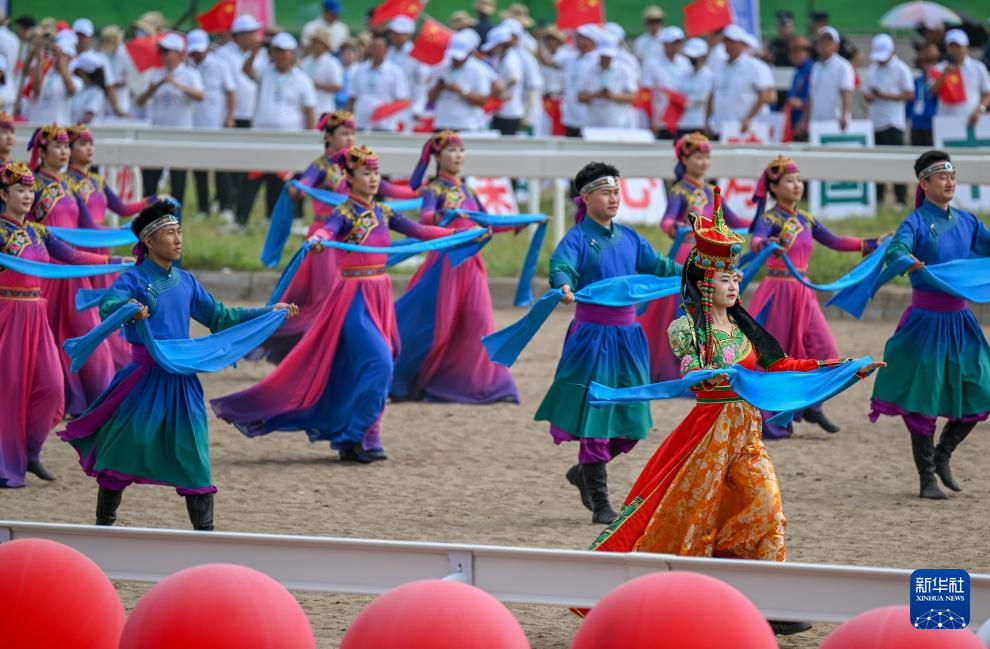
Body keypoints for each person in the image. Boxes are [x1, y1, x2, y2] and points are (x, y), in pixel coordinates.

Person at [582, 196, 883, 637]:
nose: (735, 283)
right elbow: (690, 376)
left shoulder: (746, 327)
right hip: (706, 440)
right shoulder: (685, 329)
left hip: (747, 436)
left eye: (737, 276)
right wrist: (710, 372)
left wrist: (846, 368)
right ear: (706, 283)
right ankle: (682, 602)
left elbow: (784, 366)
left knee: (765, 508)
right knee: (693, 521)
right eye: (726, 277)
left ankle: (769, 601)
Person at [212, 146, 459, 463]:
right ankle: (356, 434)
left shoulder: (384, 213)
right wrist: (318, 239)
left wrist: (459, 234)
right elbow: (328, 230)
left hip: (380, 295)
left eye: (375, 173)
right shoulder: (344, 213)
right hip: (353, 299)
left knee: (373, 365)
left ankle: (364, 438)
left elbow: (421, 231)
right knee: (379, 363)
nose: (373, 179)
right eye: (365, 173)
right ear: (349, 177)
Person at [59, 201, 296, 528]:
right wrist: (128, 306)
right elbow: (109, 305)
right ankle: (104, 526)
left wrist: (269, 311)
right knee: (120, 455)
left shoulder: (186, 281)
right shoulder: (134, 280)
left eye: (180, 232)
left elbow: (220, 317)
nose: (178, 239)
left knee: (195, 457)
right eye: (170, 233)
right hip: (142, 380)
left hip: (182, 381)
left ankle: (206, 536)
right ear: (149, 242)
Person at [537, 162, 680, 524]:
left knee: (632, 422)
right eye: (605, 191)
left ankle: (583, 472)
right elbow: (561, 266)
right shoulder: (577, 239)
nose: (614, 198)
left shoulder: (630, 238)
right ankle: (600, 502)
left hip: (630, 338)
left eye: (616, 191)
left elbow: (661, 266)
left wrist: (702, 269)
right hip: (593, 338)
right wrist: (564, 284)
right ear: (586, 198)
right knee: (597, 416)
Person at [870, 151, 990, 500]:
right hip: (925, 323)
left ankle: (943, 454)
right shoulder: (917, 222)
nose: (949, 182)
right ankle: (926, 477)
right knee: (923, 398)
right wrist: (907, 259)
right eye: (941, 177)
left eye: (952, 176)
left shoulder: (968, 222)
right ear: (924, 183)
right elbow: (896, 250)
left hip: (961, 320)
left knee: (981, 388)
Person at [1, 162, 123, 488]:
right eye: (20, 190)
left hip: (36, 316)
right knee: (9, 391)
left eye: (30, 190)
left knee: (53, 388)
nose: (28, 195)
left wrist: (116, 261)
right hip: (7, 316)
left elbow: (74, 256)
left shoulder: (39, 232)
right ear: (3, 194)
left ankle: (30, 452)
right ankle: (7, 463)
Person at [748, 156, 881, 438]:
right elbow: (756, 240)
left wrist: (871, 244)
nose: (797, 186)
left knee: (825, 349)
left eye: (799, 180)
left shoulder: (806, 219)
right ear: (774, 186)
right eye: (789, 181)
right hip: (778, 292)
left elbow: (833, 241)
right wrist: (768, 244)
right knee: (776, 358)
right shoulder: (769, 219)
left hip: (804, 293)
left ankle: (812, 405)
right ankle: (774, 418)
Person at [391, 130, 518, 404]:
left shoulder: (467, 190)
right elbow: (425, 219)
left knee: (479, 320)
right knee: (434, 326)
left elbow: (485, 221)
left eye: (461, 151)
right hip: (446, 262)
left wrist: (518, 224)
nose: (458, 156)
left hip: (472, 263)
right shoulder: (434, 189)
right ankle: (402, 377)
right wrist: (448, 215)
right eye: (451, 151)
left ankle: (486, 384)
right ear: (438, 156)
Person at [637, 133, 748, 383]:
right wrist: (675, 228)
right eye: (699, 156)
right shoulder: (680, 190)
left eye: (707, 157)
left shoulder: (711, 191)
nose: (704, 162)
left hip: (710, 257)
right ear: (685, 159)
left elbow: (734, 220)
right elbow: (666, 220)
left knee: (713, 309)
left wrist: (759, 226)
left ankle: (713, 361)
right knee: (686, 310)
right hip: (688, 254)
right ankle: (681, 367)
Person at [28, 124, 116, 416]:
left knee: (86, 329)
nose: (64, 152)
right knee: (47, 335)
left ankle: (90, 395)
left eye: (67, 146)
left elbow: (90, 228)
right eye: (58, 146)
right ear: (41, 151)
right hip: (46, 270)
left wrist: (132, 235)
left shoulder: (69, 187)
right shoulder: (34, 187)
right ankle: (53, 398)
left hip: (72, 269)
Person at [66, 124, 165, 369]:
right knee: (83, 306)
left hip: (103, 246)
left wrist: (153, 201)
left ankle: (108, 356)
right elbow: (87, 224)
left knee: (107, 302)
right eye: (82, 143)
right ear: (68, 149)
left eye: (91, 143)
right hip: (83, 246)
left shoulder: (97, 180)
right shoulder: (67, 183)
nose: (89, 148)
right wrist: (125, 232)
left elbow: (121, 208)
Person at [233, 32, 316, 229]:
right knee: (252, 179)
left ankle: (289, 218)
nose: (280, 55)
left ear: (292, 54)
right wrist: (255, 51)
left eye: (284, 51)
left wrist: (310, 137)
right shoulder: (265, 71)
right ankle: (240, 220)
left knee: (286, 181)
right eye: (277, 51)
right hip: (262, 136)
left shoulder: (302, 79)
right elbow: (246, 70)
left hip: (290, 139)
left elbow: (309, 110)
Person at [136, 32, 204, 205]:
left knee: (178, 178)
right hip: (158, 130)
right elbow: (140, 100)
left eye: (167, 52)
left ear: (179, 53)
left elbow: (200, 95)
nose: (164, 56)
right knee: (151, 177)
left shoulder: (190, 74)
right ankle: (149, 212)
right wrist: (156, 86)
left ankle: (175, 215)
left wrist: (176, 84)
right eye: (162, 52)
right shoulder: (155, 73)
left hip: (180, 131)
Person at [187, 29, 236, 218]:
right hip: (195, 123)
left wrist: (230, 116)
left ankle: (225, 206)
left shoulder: (220, 65)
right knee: (199, 167)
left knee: (221, 166)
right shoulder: (188, 65)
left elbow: (231, 91)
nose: (196, 54)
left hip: (216, 122)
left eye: (199, 50)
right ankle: (203, 208)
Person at [864, 34, 914, 209]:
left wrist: (887, 95)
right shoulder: (872, 69)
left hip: (894, 121)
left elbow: (909, 94)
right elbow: (866, 92)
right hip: (875, 120)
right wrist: (870, 96)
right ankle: (878, 197)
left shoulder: (902, 69)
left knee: (896, 161)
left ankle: (900, 199)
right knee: (876, 162)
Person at [708, 25, 774, 137]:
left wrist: (748, 118)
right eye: (727, 41)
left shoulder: (755, 67)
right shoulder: (719, 67)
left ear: (742, 44)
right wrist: (707, 119)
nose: (729, 45)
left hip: (745, 129)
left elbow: (766, 96)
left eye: (733, 42)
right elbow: (712, 94)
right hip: (720, 126)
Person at [430, 30, 496, 133]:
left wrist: (461, 90)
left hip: (467, 125)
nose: (455, 59)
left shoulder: (479, 70)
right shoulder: (443, 67)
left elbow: (482, 101)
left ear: (469, 52)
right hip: (442, 124)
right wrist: (438, 87)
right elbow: (431, 97)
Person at [797, 27, 854, 136]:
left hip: (836, 122)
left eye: (828, 42)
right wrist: (804, 120)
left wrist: (844, 115)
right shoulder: (816, 67)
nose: (824, 45)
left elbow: (846, 92)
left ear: (836, 46)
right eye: (821, 41)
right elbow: (811, 95)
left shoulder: (843, 66)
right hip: (816, 122)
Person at [349, 33, 409, 132]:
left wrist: (384, 112)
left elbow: (401, 99)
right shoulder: (360, 70)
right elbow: (352, 97)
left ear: (386, 50)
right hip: (361, 122)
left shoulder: (395, 72)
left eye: (379, 48)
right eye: (373, 47)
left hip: (385, 124)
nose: (375, 51)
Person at [931, 29, 990, 128]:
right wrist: (944, 74)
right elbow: (932, 92)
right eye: (952, 47)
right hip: (945, 120)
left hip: (971, 121)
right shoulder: (939, 68)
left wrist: (979, 110)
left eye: (958, 46)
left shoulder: (978, 67)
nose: (955, 50)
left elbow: (987, 93)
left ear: (966, 47)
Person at [23, 30, 78, 124]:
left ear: (71, 58)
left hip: (59, 130)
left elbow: (71, 90)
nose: (57, 57)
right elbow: (36, 88)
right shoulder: (45, 69)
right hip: (36, 125)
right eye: (56, 55)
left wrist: (60, 60)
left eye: (64, 55)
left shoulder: (75, 78)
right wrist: (39, 60)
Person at [578, 46, 637, 129]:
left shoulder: (624, 70)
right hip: (594, 120)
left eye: (608, 57)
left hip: (617, 119)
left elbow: (632, 97)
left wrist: (613, 96)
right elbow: (579, 98)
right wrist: (595, 95)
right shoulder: (588, 70)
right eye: (603, 57)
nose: (605, 60)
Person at [483, 26, 525, 135]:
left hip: (509, 112)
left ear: (502, 44)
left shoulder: (511, 58)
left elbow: (514, 78)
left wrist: (501, 89)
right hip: (500, 110)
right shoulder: (500, 57)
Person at [673, 39, 713, 137]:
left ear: (702, 57)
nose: (691, 60)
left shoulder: (710, 75)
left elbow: (706, 98)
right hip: (683, 123)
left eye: (694, 57)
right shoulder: (684, 75)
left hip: (700, 123)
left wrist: (687, 101)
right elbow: (678, 94)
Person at [303, 25, 344, 117]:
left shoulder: (332, 63)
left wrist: (318, 85)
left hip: (324, 110)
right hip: (307, 110)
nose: (313, 44)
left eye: (316, 42)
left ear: (324, 45)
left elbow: (338, 86)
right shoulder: (306, 61)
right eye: (313, 42)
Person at [909, 44, 940, 148]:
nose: (927, 66)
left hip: (932, 125)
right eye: (924, 62)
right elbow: (910, 102)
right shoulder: (917, 81)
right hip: (916, 124)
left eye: (930, 63)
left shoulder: (938, 80)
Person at [785, 36, 813, 141]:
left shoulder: (813, 69)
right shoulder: (797, 71)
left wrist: (802, 103)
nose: (793, 54)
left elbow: (818, 96)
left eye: (798, 50)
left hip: (806, 123)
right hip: (796, 122)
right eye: (791, 50)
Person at [68, 51, 108, 124]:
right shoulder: (81, 88)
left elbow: (88, 116)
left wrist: (71, 130)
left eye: (77, 69)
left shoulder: (97, 92)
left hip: (86, 134)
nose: (74, 71)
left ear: (83, 72)